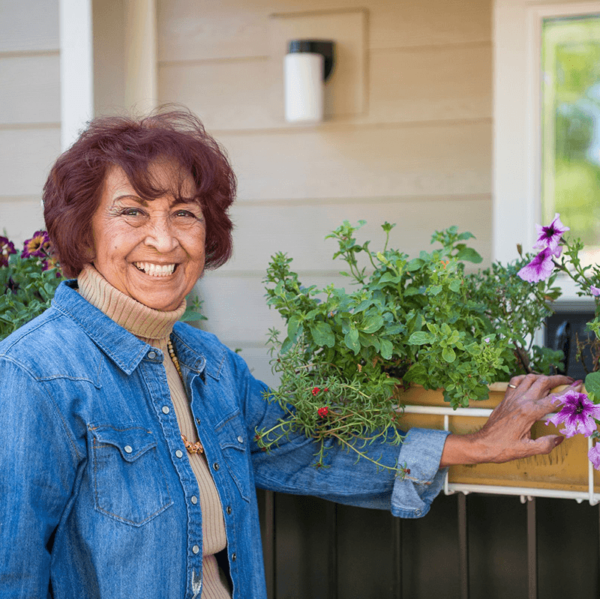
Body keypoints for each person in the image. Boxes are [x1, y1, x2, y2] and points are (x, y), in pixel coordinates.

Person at [0, 110, 576, 599]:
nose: (165, 240)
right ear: (82, 232)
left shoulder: (206, 361)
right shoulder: (34, 374)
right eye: (132, 212)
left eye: (184, 213)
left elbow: (302, 448)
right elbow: (13, 570)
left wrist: (473, 445)